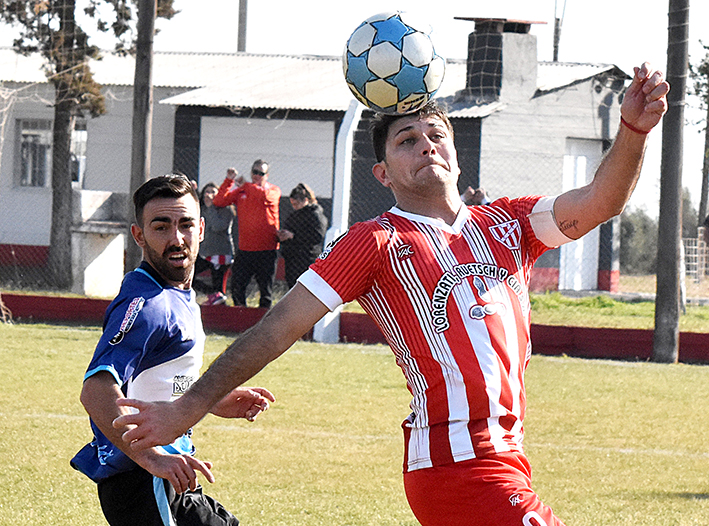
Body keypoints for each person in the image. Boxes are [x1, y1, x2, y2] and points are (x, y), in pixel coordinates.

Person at [114, 63, 669, 526]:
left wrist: (633, 132)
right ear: (383, 172)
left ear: (454, 152)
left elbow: (601, 200)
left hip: (509, 456)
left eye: (436, 134)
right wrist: (190, 406)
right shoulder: (376, 241)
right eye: (407, 141)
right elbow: (278, 326)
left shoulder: (512, 222)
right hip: (454, 466)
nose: (426, 145)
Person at [71, 174, 275, 526]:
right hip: (143, 480)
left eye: (185, 225)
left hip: (174, 474)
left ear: (201, 228)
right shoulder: (146, 303)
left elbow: (157, 381)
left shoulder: (175, 295)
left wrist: (212, 399)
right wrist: (151, 458)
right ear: (139, 235)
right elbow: (96, 389)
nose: (176, 238)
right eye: (161, 227)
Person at [213, 161, 281, 309]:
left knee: (265, 290)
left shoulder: (273, 190)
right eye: (255, 172)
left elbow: (262, 196)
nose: (257, 176)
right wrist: (229, 180)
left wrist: (245, 185)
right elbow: (219, 201)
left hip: (267, 249)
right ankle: (241, 315)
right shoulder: (243, 190)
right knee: (237, 285)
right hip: (246, 249)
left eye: (261, 173)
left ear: (267, 175)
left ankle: (264, 320)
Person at [277, 183, 328, 289]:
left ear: (305, 200)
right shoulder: (295, 215)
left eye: (296, 204)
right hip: (292, 257)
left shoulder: (315, 215)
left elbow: (317, 237)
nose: (294, 207)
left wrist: (293, 236)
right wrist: (283, 236)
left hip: (306, 258)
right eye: (292, 204)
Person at [194, 182, 235, 306]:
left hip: (221, 254)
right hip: (205, 253)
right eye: (206, 191)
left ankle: (220, 309)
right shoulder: (202, 209)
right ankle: (212, 293)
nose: (209, 195)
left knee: (219, 288)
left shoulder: (226, 210)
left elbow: (218, 226)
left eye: (213, 192)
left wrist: (211, 207)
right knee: (188, 275)